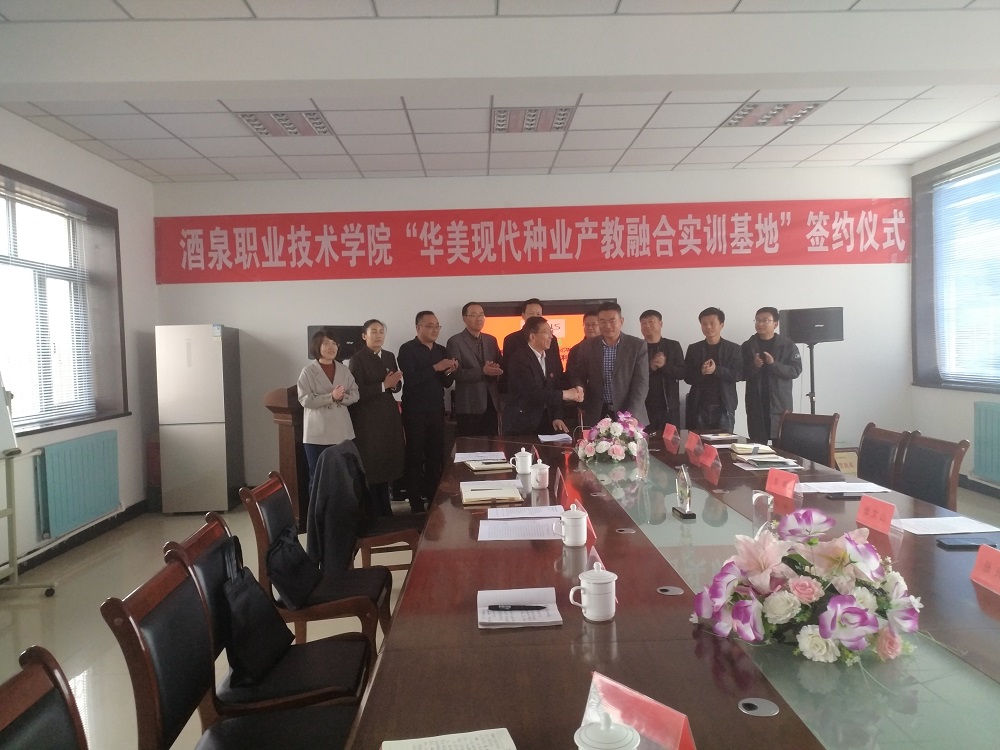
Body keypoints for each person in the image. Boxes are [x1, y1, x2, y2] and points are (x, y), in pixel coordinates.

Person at [398, 311, 458, 513]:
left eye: (437, 326)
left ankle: (434, 497)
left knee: (435, 455)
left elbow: (446, 383)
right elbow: (411, 379)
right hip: (414, 411)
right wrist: (436, 367)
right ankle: (415, 502)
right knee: (415, 455)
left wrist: (450, 371)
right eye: (430, 326)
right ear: (418, 328)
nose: (435, 330)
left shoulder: (441, 350)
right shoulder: (407, 349)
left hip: (436, 409)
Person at [348, 319, 405, 517]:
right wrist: (383, 385)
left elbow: (395, 386)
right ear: (364, 336)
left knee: (388, 460)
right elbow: (356, 392)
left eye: (381, 331)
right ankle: (373, 512)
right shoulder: (358, 359)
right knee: (372, 463)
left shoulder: (389, 356)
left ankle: (386, 509)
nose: (378, 335)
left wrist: (395, 384)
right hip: (368, 417)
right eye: (374, 331)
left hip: (388, 414)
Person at [570, 301, 649, 427]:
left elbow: (641, 383)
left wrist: (632, 414)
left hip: (627, 412)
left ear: (621, 321)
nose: (607, 325)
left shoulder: (637, 345)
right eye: (602, 321)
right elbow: (579, 375)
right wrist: (579, 386)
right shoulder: (587, 346)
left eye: (612, 321)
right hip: (597, 413)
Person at [297, 328, 360, 483]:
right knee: (318, 477)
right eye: (326, 343)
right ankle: (318, 501)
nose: (332, 347)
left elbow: (355, 393)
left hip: (341, 431)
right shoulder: (308, 371)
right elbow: (305, 399)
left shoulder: (343, 369)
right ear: (317, 346)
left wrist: (342, 398)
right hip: (317, 433)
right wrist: (330, 397)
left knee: (343, 476)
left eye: (334, 343)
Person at [503, 316, 583, 435]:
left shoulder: (550, 358)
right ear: (532, 336)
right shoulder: (519, 359)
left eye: (551, 332)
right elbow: (532, 393)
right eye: (547, 332)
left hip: (547, 420)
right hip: (523, 422)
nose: (551, 336)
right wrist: (565, 394)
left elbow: (554, 386)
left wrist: (557, 416)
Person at [742, 306, 802, 444]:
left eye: (765, 320)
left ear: (775, 324)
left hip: (779, 403)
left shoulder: (787, 345)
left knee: (781, 445)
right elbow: (740, 374)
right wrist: (754, 366)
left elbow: (795, 370)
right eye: (757, 320)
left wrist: (773, 364)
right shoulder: (748, 346)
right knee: (756, 446)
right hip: (756, 402)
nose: (760, 323)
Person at [446, 302, 503, 437]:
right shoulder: (455, 341)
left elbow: (500, 365)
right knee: (470, 445)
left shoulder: (491, 340)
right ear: (464, 318)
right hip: (469, 404)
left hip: (492, 403)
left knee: (493, 444)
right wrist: (483, 371)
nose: (479, 318)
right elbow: (456, 374)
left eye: (481, 315)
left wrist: (496, 371)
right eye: (474, 315)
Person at [684, 307, 743, 433]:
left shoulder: (734, 349)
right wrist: (702, 372)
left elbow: (738, 375)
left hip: (724, 406)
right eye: (704, 324)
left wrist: (716, 370)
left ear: (721, 325)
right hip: (699, 406)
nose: (708, 327)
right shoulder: (694, 349)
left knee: (724, 443)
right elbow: (687, 377)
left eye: (712, 323)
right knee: (698, 443)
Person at [639, 309, 685, 434]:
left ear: (661, 323)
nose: (647, 326)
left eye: (651, 322)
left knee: (671, 442)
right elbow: (630, 376)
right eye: (643, 323)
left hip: (670, 407)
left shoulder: (673, 346)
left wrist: (664, 366)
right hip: (644, 408)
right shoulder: (637, 347)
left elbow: (682, 373)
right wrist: (651, 367)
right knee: (644, 442)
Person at [500, 298, 561, 390]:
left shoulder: (552, 339)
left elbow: (557, 367)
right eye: (531, 314)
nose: (535, 317)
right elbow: (507, 370)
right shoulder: (511, 340)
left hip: (550, 391)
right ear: (523, 315)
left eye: (538, 314)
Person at [566, 310, 600, 380]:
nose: (590, 328)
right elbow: (571, 374)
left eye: (593, 324)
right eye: (587, 325)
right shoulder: (575, 350)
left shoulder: (608, 346)